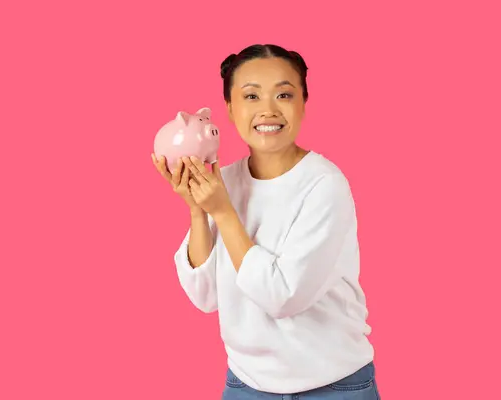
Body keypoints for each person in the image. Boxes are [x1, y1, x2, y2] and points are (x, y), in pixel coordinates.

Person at [152, 44, 380, 399]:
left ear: (304, 102)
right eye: (251, 96)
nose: (268, 110)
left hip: (334, 385)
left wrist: (223, 211)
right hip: (247, 384)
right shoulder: (223, 182)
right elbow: (205, 295)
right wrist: (197, 208)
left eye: (284, 94)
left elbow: (283, 297)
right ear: (229, 108)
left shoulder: (324, 185)